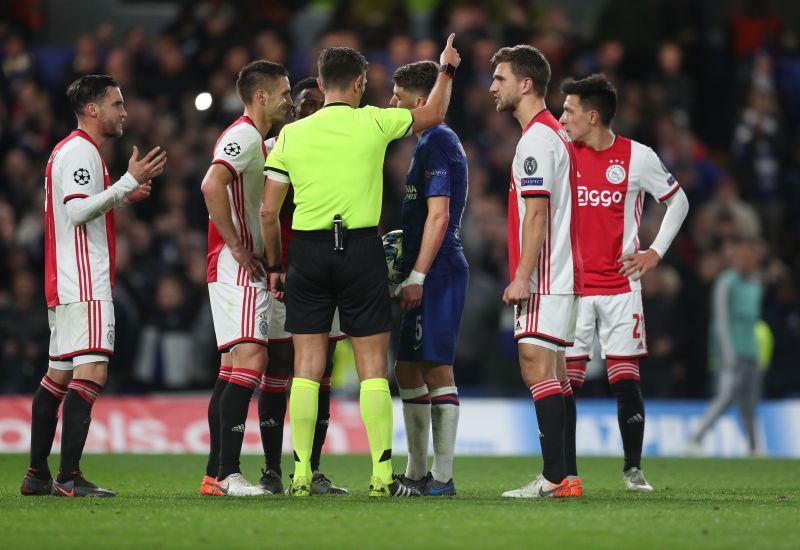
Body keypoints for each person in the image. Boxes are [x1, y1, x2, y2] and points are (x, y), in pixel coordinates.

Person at [261, 36, 461, 497]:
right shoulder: (373, 121)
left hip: (307, 252)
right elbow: (433, 116)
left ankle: (302, 474)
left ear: (321, 83)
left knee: (307, 365)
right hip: (359, 249)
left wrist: (275, 264)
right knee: (373, 366)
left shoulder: (291, 133)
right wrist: (446, 70)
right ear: (356, 83)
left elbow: (269, 212)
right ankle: (379, 475)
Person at [21, 74, 166, 497]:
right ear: (93, 110)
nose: (124, 112)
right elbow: (81, 211)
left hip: (64, 282)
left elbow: (78, 208)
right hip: (84, 281)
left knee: (57, 377)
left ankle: (36, 475)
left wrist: (122, 193)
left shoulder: (68, 150)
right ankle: (68, 477)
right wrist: (125, 182)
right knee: (93, 371)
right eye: (117, 104)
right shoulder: (82, 151)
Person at [558, 74, 689, 494]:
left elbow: (678, 201)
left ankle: (633, 470)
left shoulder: (637, 157)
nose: (563, 117)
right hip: (572, 288)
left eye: (570, 110)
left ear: (593, 116)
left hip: (619, 287)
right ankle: (564, 472)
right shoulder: (562, 151)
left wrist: (655, 252)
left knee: (625, 379)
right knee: (567, 383)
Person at [490, 45, 582, 499]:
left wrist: (523, 275)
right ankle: (567, 475)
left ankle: (553, 478)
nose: (492, 87)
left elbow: (539, 214)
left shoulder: (537, 139)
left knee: (536, 367)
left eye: (501, 78)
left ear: (526, 84)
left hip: (545, 275)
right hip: (562, 271)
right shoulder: (556, 135)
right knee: (558, 374)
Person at [199, 60, 293, 497]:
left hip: (232, 265)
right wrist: (237, 244)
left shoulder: (256, 138)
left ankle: (214, 472)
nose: (289, 99)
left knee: (231, 367)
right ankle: (227, 474)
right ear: (261, 95)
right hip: (237, 264)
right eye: (284, 92)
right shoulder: (241, 135)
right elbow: (211, 184)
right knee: (252, 360)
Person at [257, 77, 348, 496]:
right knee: (279, 366)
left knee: (321, 369)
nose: (309, 109)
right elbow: (267, 210)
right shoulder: (279, 148)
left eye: (318, 103)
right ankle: (272, 469)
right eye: (304, 103)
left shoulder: (339, 151)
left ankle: (311, 468)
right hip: (287, 272)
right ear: (293, 109)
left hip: (327, 271)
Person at [388, 61, 469, 497]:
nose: (390, 104)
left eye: (396, 97)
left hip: (438, 269)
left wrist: (418, 273)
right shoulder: (430, 141)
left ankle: (441, 478)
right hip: (427, 266)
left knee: (437, 367)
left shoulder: (436, 141)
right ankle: (417, 471)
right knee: (406, 367)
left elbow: (439, 215)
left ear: (419, 102)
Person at [688, 237, 764, 455]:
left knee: (750, 405)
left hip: (751, 351)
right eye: (740, 257)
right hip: (730, 352)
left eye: (748, 257)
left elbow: (754, 322)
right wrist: (727, 354)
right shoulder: (726, 282)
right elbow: (721, 321)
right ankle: (695, 439)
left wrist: (757, 352)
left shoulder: (757, 283)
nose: (745, 261)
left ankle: (754, 448)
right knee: (725, 398)